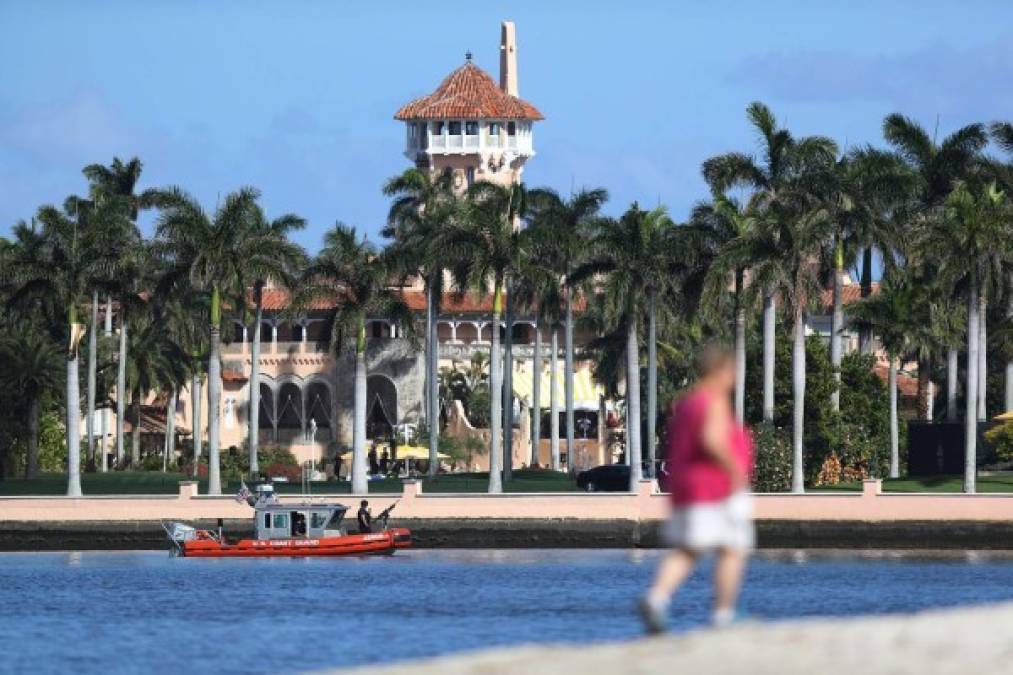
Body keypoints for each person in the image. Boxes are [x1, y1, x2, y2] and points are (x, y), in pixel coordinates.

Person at [639, 343, 755, 633]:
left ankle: (656, 599)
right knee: (732, 547)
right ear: (721, 370)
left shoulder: (687, 403)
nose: (735, 377)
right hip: (715, 486)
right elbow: (712, 439)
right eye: (733, 371)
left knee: (687, 549)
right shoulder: (713, 400)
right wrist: (735, 469)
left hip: (687, 487)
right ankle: (724, 614)